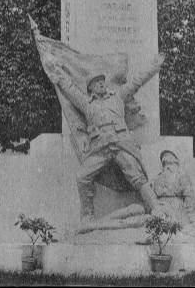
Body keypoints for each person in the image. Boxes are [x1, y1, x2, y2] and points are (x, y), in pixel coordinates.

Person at [44, 53, 164, 227]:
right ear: (90, 87)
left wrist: (154, 66)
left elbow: (136, 82)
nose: (101, 83)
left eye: (102, 80)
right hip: (100, 147)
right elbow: (69, 88)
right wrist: (55, 71)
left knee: (136, 176)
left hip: (120, 143)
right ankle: (87, 217)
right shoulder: (86, 103)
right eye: (96, 82)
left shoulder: (118, 97)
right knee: (82, 177)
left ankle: (156, 208)